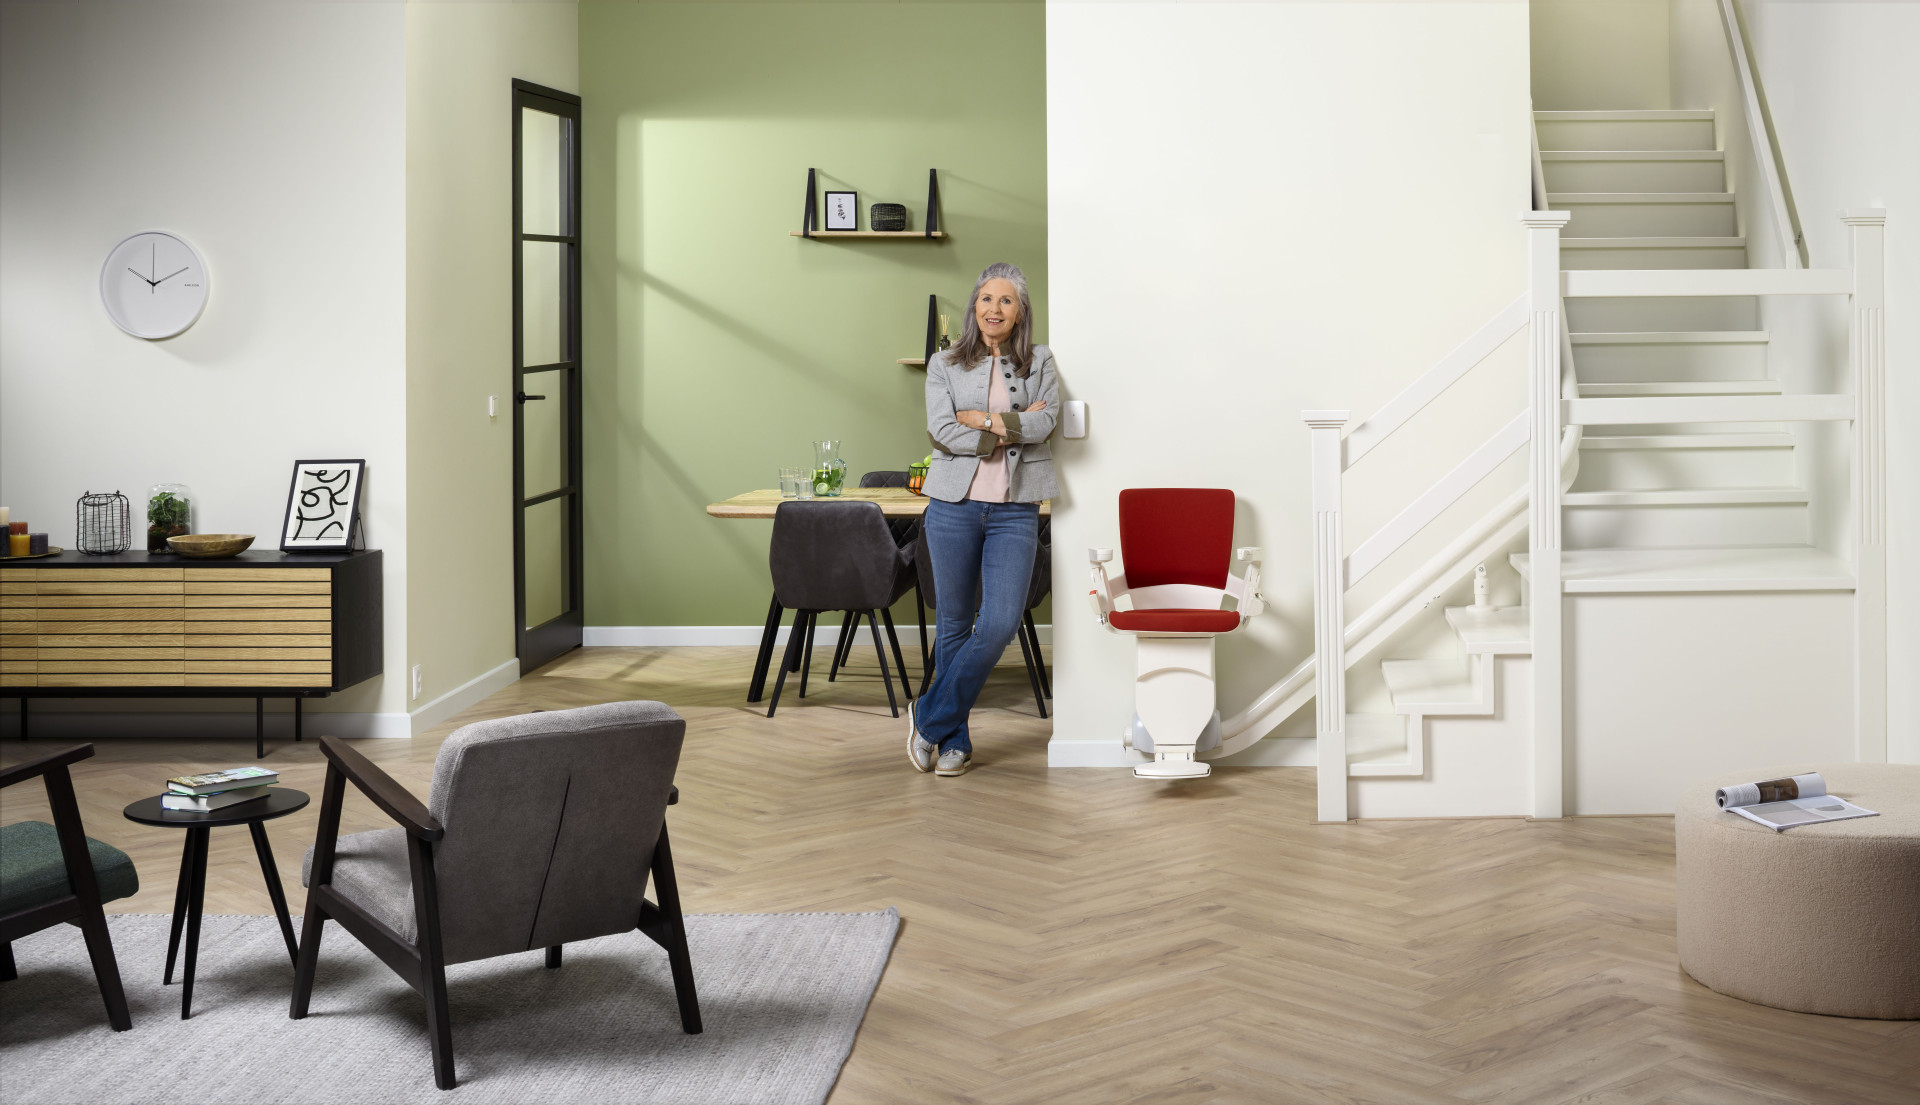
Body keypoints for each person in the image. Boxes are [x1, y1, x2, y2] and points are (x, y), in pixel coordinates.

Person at [909, 262, 1058, 776]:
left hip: (1016, 510)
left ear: (1020, 313)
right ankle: (955, 740)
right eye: (986, 300)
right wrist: (1008, 428)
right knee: (952, 624)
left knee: (999, 622)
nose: (995, 309)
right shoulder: (944, 363)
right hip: (952, 507)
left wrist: (982, 420)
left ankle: (927, 716)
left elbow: (1046, 422)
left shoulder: (1040, 360)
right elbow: (941, 431)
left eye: (1006, 301)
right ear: (975, 308)